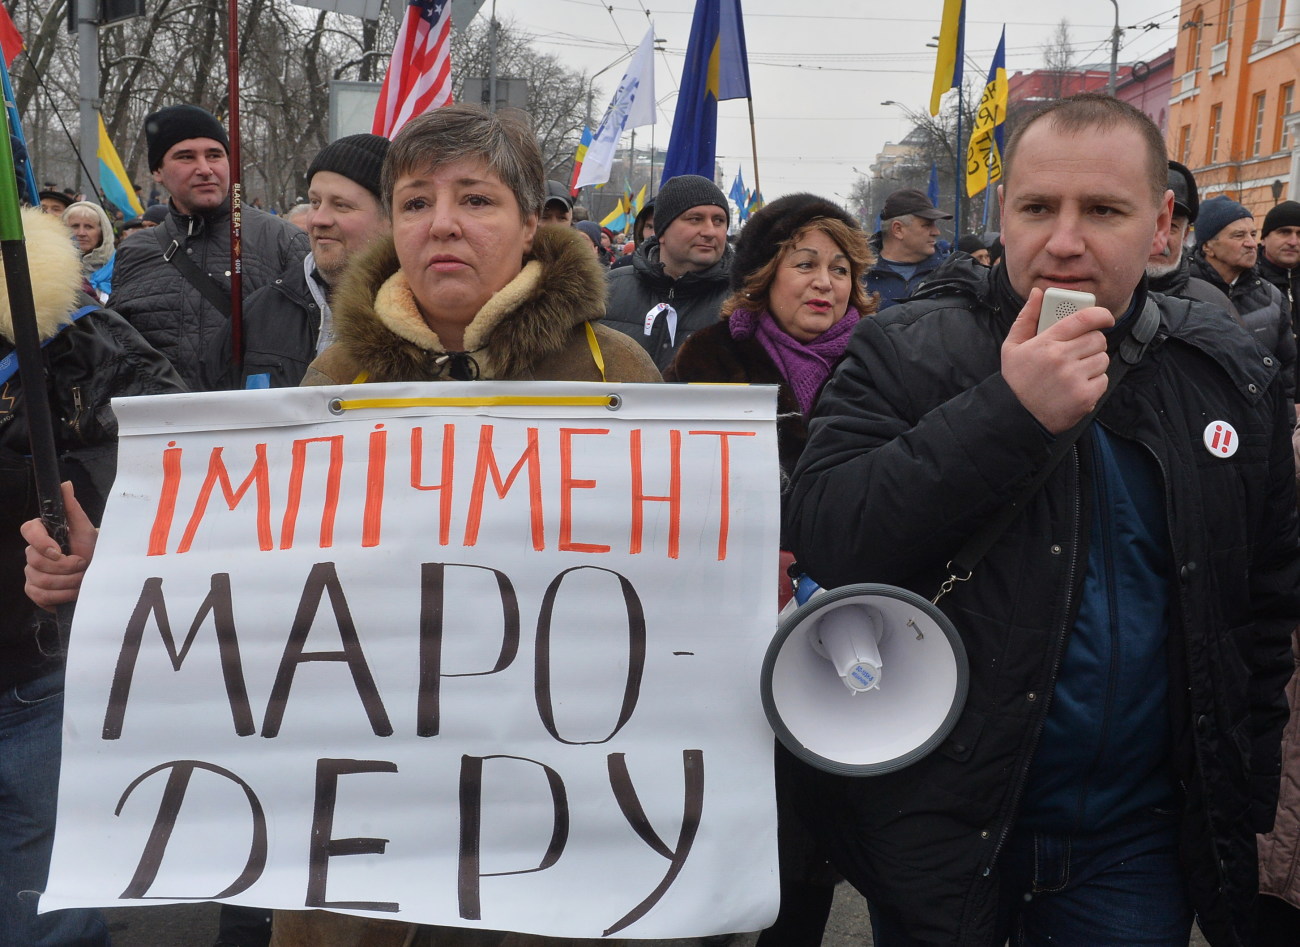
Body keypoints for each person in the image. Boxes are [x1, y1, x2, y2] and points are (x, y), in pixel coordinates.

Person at [783, 93, 1300, 946]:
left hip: (1133, 844)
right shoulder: (908, 349)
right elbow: (832, 530)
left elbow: (1264, 601)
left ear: (1161, 222)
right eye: (1037, 208)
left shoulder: (1225, 374)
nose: (1065, 239)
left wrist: (1236, 793)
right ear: (1003, 214)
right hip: (939, 821)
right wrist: (1010, 413)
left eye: (1102, 210)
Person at [666, 194, 875, 947]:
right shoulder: (708, 360)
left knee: (809, 842)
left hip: (844, 635)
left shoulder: (888, 362)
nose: (825, 283)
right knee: (722, 824)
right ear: (763, 275)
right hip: (728, 639)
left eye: (840, 268)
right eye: (805, 263)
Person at [3, 206, 184, 946]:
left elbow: (168, 461)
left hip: (34, 675)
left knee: (43, 904)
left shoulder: (75, 339)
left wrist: (78, 511)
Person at [109, 104, 309, 392]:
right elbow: (119, 351)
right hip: (164, 429)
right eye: (186, 157)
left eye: (215, 155)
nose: (205, 169)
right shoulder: (136, 250)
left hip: (257, 427)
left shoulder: (284, 240)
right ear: (157, 171)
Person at [242, 133, 390, 388]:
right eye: (315, 202)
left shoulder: (430, 318)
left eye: (341, 205)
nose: (318, 219)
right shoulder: (260, 311)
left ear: (392, 218)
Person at [603, 174, 732, 371]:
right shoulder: (607, 290)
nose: (710, 231)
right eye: (695, 219)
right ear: (662, 231)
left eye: (719, 221)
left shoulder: (743, 302)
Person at [1189, 195, 1295, 402]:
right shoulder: (1181, 292)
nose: (1251, 243)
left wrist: (1286, 421)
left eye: (1253, 234)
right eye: (1239, 236)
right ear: (1208, 246)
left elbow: (1285, 370)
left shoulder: (1272, 297)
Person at [1144, 160, 1236, 316]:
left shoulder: (1215, 305)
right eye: (1149, 223)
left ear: (1185, 234)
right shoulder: (1096, 293)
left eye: (1171, 226)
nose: (1158, 239)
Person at [865, 187, 951, 309]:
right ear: (898, 230)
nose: (936, 232)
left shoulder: (948, 272)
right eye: (927, 225)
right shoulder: (858, 275)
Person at [62, 200, 116, 302]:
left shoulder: (119, 265)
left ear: (102, 233)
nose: (81, 233)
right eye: (75, 226)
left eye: (88, 227)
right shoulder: (52, 265)